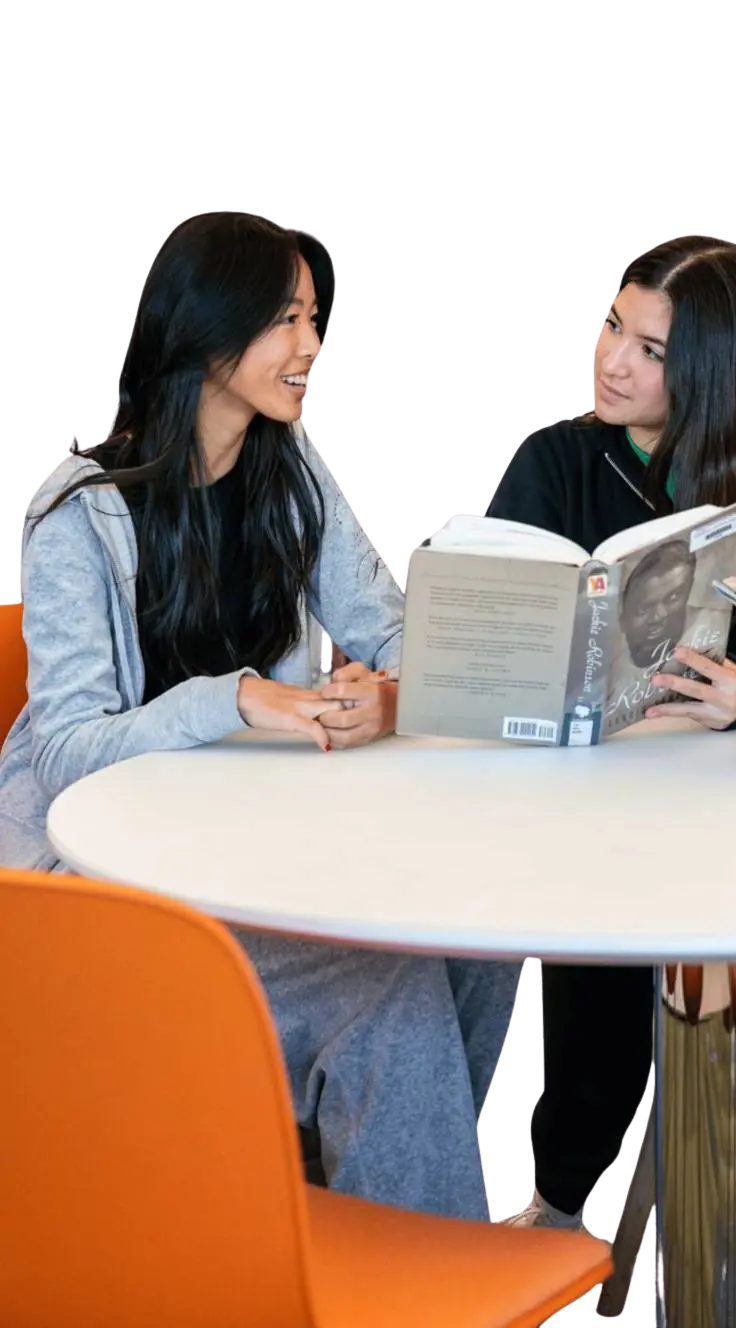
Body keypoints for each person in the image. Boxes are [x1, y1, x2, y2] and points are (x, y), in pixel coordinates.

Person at [0, 211, 521, 1220]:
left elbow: (386, 623)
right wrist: (232, 695)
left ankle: (362, 1224)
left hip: (260, 853)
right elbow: (64, 749)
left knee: (484, 944)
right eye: (286, 320)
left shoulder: (287, 464)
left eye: (314, 319)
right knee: (389, 1001)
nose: (312, 347)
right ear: (208, 331)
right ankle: (413, 1262)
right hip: (102, 898)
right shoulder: (78, 506)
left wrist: (392, 694)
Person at [488, 235, 736, 1323]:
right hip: (603, 793)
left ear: (714, 375)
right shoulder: (554, 458)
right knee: (592, 966)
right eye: (612, 326)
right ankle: (559, 1203)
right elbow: (489, 632)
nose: (613, 363)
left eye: (651, 350)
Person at [618, 539, 696, 668]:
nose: (658, 616)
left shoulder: (714, 622)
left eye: (673, 597)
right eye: (643, 608)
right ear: (622, 620)